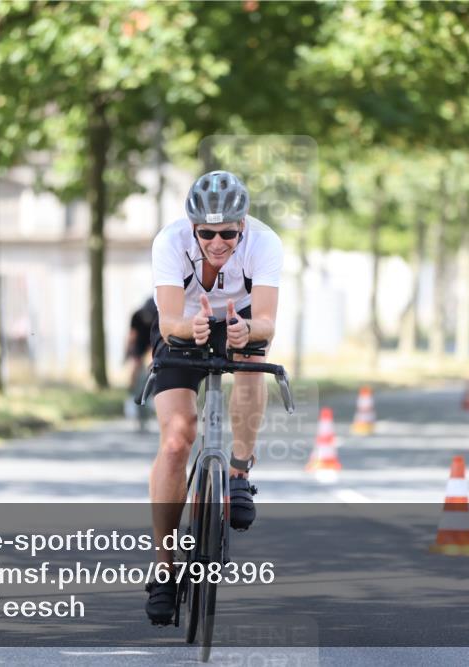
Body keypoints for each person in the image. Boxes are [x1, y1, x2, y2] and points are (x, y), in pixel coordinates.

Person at [144, 170, 283, 625]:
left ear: (243, 226)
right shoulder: (169, 242)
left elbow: (266, 321)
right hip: (184, 325)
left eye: (228, 232)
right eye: (207, 233)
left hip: (240, 320)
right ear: (192, 227)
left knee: (250, 359)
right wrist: (191, 328)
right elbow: (167, 321)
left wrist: (247, 330)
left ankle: (239, 469)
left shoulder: (265, 243)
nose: (218, 242)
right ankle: (164, 569)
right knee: (177, 438)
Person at [125, 296, 159, 397]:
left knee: (153, 365)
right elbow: (132, 335)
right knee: (135, 365)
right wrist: (128, 351)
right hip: (139, 343)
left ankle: (153, 393)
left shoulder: (157, 315)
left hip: (152, 342)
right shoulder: (136, 315)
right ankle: (131, 393)